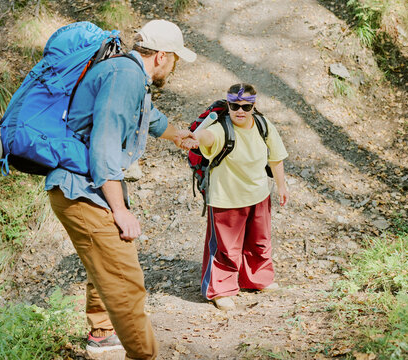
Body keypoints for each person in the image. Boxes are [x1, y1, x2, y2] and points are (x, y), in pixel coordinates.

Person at [45, 20, 197, 359]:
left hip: (77, 188)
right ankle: (143, 355)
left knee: (105, 263)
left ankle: (102, 334)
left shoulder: (125, 73)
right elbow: (104, 145)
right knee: (126, 279)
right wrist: (120, 210)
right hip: (82, 190)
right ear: (161, 56)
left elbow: (149, 116)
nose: (173, 67)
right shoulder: (126, 76)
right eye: (174, 59)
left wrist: (179, 135)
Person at [186, 83, 289, 311]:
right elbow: (207, 136)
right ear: (229, 105)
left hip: (258, 194)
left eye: (245, 106)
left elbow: (276, 157)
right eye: (234, 106)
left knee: (260, 242)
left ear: (253, 106)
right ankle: (221, 289)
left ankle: (258, 278)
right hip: (226, 199)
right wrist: (196, 137)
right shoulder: (222, 129)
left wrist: (281, 185)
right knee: (226, 247)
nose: (239, 111)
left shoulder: (263, 125)